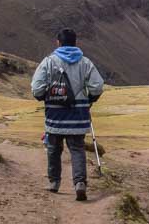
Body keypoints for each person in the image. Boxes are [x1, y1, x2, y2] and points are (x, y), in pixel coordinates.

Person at [30, 28, 105, 201]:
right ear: (75, 43)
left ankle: (54, 183)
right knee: (77, 149)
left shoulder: (49, 62)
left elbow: (37, 88)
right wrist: (90, 99)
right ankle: (80, 183)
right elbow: (97, 85)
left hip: (54, 115)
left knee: (53, 149)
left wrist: (43, 96)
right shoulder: (85, 63)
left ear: (58, 42)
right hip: (77, 114)